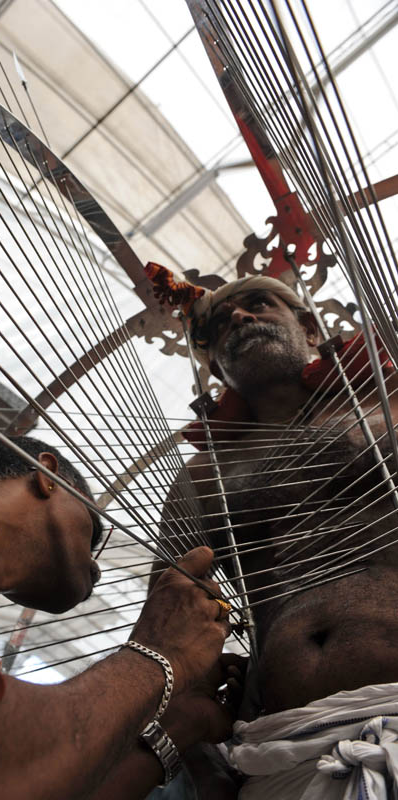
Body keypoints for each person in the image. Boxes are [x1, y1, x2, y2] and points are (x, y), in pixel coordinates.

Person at [0, 342, 235, 800]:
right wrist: (161, 652)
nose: (97, 570)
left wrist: (184, 723)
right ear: (48, 476)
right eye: (94, 534)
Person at [145, 263, 398, 799]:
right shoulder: (203, 474)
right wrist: (198, 759)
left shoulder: (387, 395)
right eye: (215, 331)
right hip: (285, 744)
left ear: (308, 329)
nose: (238, 316)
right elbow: (165, 625)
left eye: (260, 303)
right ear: (214, 367)